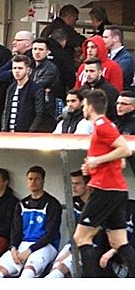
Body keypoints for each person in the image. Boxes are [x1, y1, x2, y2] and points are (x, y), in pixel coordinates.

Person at [74, 88, 135, 277]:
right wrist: (91, 167)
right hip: (115, 190)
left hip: (105, 190)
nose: (82, 109)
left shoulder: (102, 125)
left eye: (84, 105)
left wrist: (96, 161)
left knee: (81, 237)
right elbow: (120, 162)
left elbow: (125, 150)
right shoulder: (104, 127)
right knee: (118, 242)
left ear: (90, 107)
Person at [0, 166, 62, 278]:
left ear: (43, 181)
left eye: (36, 179)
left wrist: (30, 251)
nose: (33, 182)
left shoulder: (52, 204)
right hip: (23, 244)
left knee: (27, 274)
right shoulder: (22, 204)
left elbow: (49, 234)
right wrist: (13, 248)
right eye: (30, 179)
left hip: (45, 246)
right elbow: (16, 231)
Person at [46, 170, 92, 278]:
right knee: (55, 266)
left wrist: (71, 251)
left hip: (89, 245)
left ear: (87, 185)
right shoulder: (73, 202)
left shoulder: (95, 204)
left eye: (77, 183)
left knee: (61, 268)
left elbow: (91, 234)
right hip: (72, 243)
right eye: (72, 183)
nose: (74, 187)